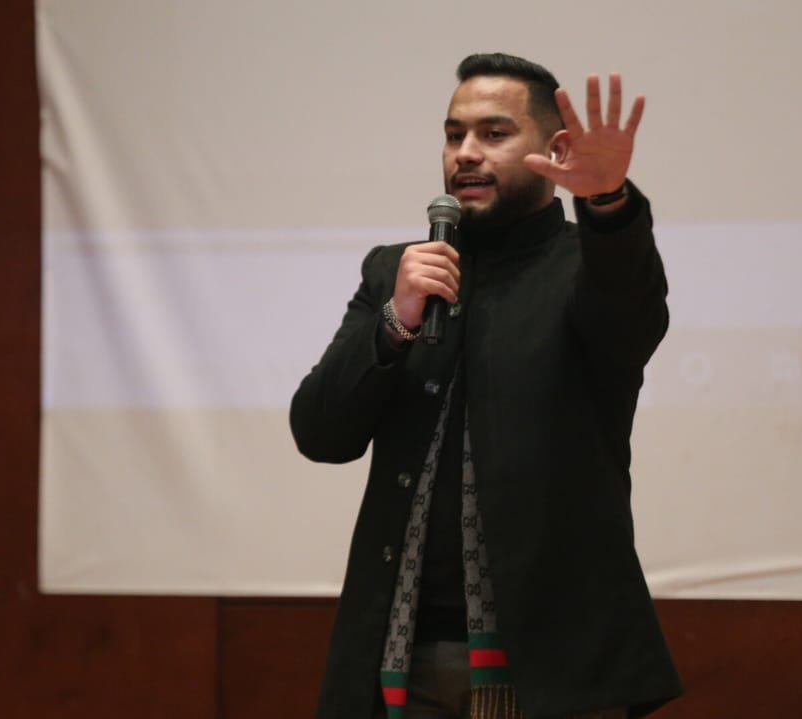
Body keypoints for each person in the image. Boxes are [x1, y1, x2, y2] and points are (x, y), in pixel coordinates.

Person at [290, 52, 681, 719]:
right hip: (403, 648)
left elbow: (629, 313)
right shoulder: (397, 272)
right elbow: (320, 433)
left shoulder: (588, 263)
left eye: (494, 133)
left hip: (552, 662)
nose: (466, 153)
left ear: (555, 149)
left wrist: (608, 204)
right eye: (454, 135)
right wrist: (395, 322)